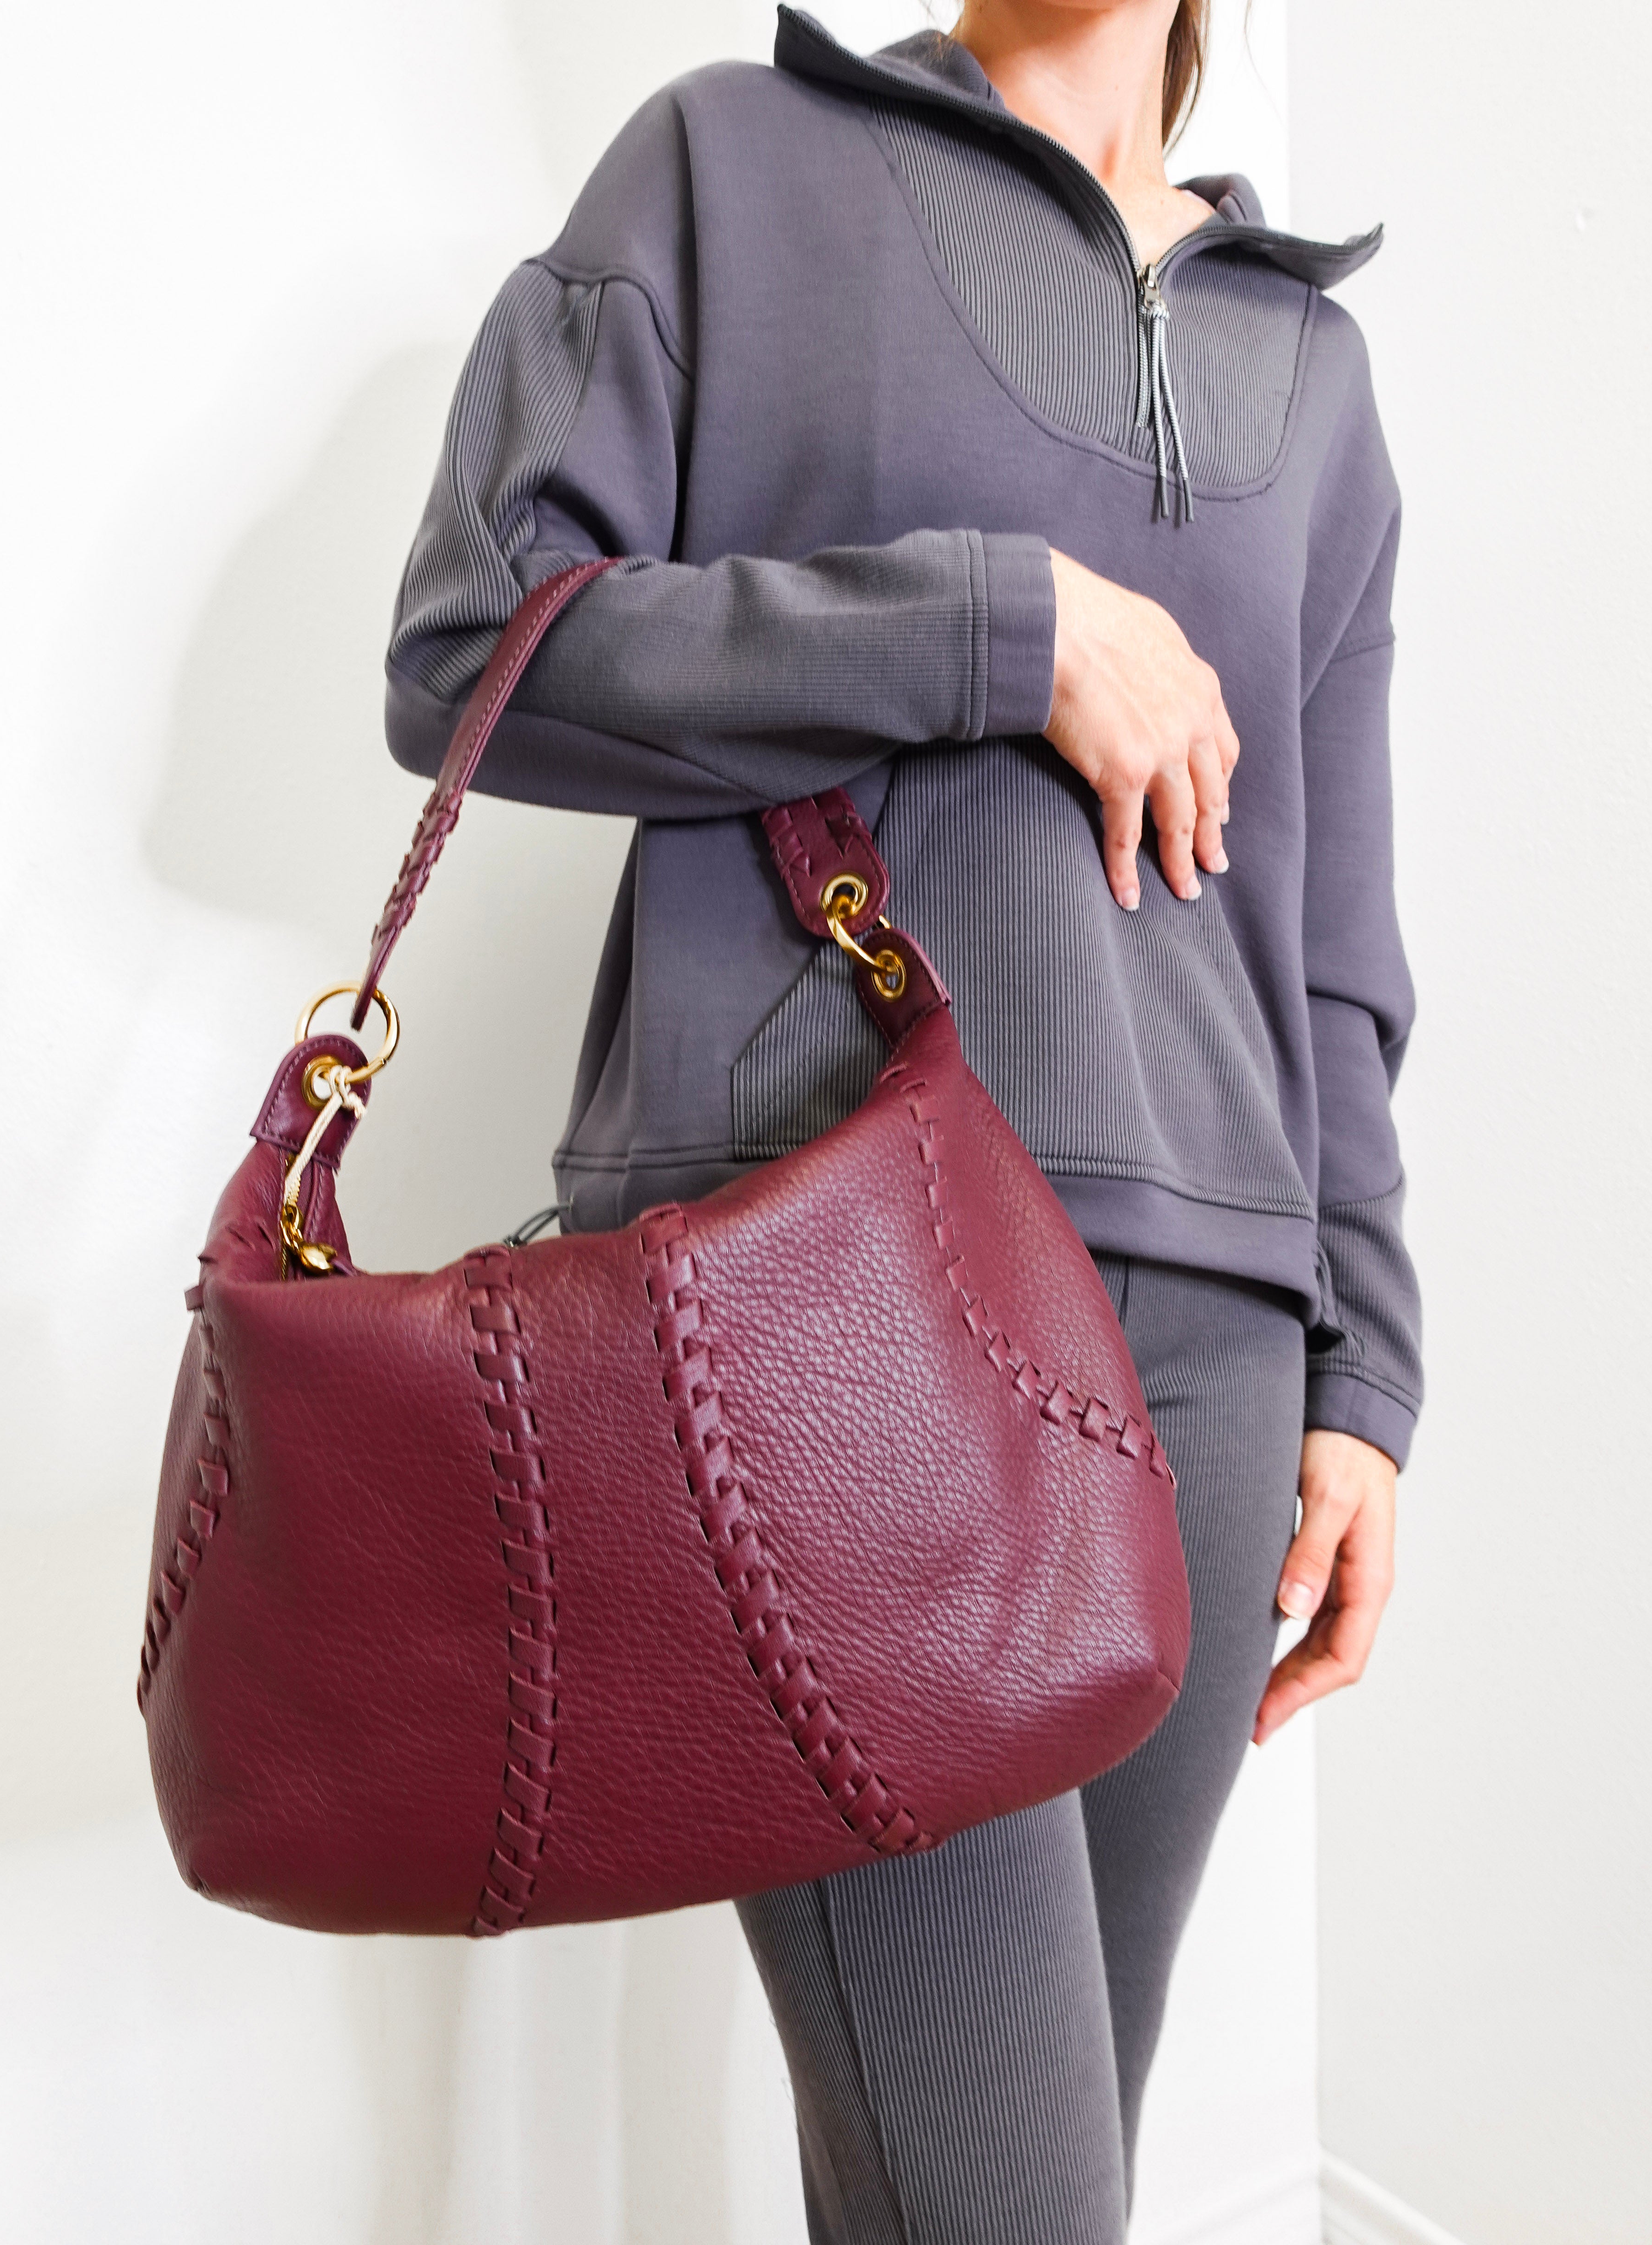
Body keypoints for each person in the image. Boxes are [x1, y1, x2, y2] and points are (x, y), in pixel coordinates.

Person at [385, 3, 1421, 2234]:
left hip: (1225, 1343)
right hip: (838, 1318)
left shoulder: (1314, 371)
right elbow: (475, 644)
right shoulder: (727, 169)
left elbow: (1336, 936)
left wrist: (1373, 1378)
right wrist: (993, 627)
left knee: (1016, 2187)